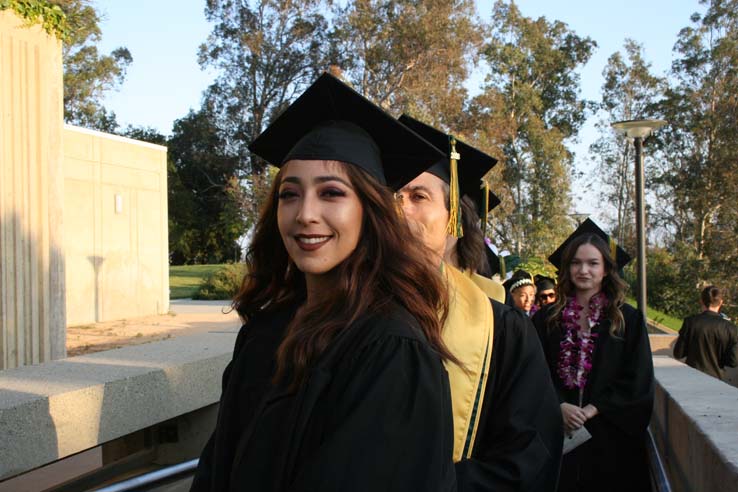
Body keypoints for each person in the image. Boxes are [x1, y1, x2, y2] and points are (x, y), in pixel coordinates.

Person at [190, 73, 458, 492]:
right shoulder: (267, 331)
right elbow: (216, 466)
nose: (305, 214)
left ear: (370, 212)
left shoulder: (392, 349)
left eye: (331, 193)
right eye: (289, 194)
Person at [397, 114, 562, 492]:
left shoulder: (502, 329)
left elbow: (529, 455)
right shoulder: (338, 315)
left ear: (453, 220)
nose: (400, 210)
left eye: (418, 196)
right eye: (389, 196)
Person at [533, 219, 654, 492]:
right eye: (576, 263)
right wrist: (558, 405)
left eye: (593, 263)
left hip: (610, 441)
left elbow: (638, 380)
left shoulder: (626, 320)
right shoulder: (546, 320)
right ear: (567, 268)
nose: (583, 270)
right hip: (555, 437)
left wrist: (592, 409)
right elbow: (532, 371)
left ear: (606, 270)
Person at [674, 285, 738, 381]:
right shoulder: (731, 328)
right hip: (716, 380)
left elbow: (678, 353)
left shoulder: (690, 322)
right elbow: (733, 362)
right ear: (721, 302)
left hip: (691, 378)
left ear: (701, 301)